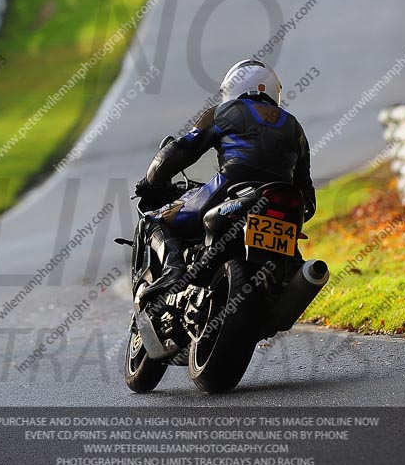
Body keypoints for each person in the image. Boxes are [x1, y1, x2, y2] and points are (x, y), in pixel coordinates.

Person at [135, 59, 316, 300]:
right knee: (296, 264)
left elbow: (182, 150)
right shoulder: (295, 126)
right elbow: (308, 196)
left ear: (231, 88)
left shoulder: (223, 111)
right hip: (285, 202)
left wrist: (150, 182)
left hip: (229, 189)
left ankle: (173, 268)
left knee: (153, 220)